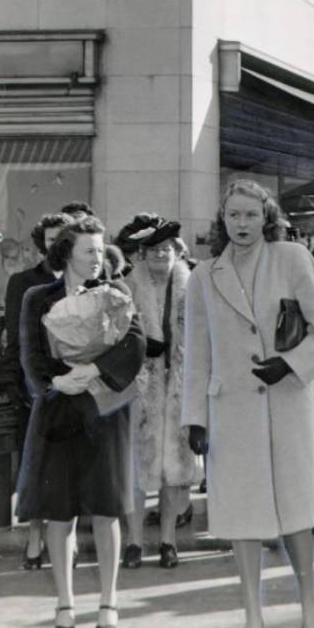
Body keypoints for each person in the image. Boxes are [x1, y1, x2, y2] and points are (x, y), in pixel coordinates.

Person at [182, 180, 314, 628]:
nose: (242, 225)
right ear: (222, 220)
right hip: (230, 410)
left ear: (266, 218)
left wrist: (288, 365)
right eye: (234, 216)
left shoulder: (292, 259)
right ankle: (253, 614)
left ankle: (310, 601)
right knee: (241, 515)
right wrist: (195, 417)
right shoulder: (204, 275)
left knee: (296, 510)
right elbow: (197, 353)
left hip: (288, 402)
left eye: (251, 215)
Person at [16, 215, 146, 628]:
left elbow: (136, 343)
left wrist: (93, 368)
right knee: (60, 512)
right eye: (87, 250)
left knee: (107, 509)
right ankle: (65, 605)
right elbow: (30, 354)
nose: (96, 258)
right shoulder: (39, 298)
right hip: (59, 412)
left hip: (106, 411)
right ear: (66, 253)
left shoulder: (117, 292)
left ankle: (108, 603)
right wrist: (55, 381)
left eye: (99, 249)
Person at [119, 215, 201, 570]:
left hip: (180, 388)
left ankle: (168, 541)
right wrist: (138, 347)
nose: (160, 255)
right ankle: (134, 541)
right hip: (139, 388)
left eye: (167, 249)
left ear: (178, 253)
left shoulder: (192, 288)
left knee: (175, 470)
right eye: (153, 250)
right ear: (141, 254)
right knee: (137, 468)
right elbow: (114, 335)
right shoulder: (127, 287)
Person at [2, 213, 74, 571]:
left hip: (76, 388)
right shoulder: (23, 283)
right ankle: (34, 536)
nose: (56, 244)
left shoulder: (85, 279)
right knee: (35, 465)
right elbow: (17, 340)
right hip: (35, 388)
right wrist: (29, 386)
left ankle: (66, 541)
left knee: (69, 467)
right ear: (41, 243)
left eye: (63, 237)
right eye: (50, 239)